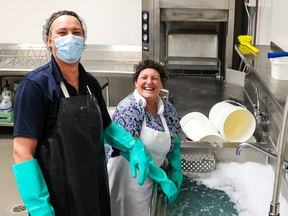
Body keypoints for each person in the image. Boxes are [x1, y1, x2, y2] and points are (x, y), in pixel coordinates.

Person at [12, 10, 151, 216]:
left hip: (94, 189)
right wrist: (40, 208)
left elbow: (106, 127)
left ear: (84, 40)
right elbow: (22, 152)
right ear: (50, 41)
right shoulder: (35, 86)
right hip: (57, 196)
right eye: (62, 32)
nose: (71, 37)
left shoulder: (90, 83)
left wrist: (133, 145)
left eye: (76, 32)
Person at [107, 59, 183, 216]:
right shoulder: (129, 107)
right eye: (144, 77)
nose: (149, 82)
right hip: (128, 176)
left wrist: (176, 170)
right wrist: (162, 178)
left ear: (161, 84)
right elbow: (130, 150)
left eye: (155, 78)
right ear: (136, 82)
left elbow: (174, 142)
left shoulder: (167, 109)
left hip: (152, 174)